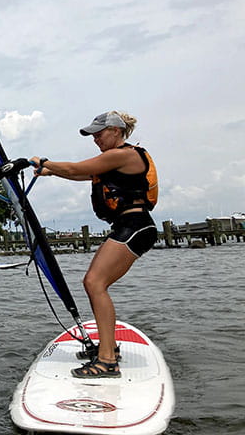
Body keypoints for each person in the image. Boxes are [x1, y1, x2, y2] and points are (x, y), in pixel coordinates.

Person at [30, 111, 158, 379]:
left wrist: (46, 162)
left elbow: (78, 168)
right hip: (128, 226)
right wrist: (50, 172)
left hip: (136, 226)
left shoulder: (122, 154)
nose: (95, 139)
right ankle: (109, 349)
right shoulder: (112, 163)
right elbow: (81, 176)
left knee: (94, 283)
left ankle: (108, 360)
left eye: (99, 133)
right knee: (94, 283)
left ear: (116, 131)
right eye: (93, 135)